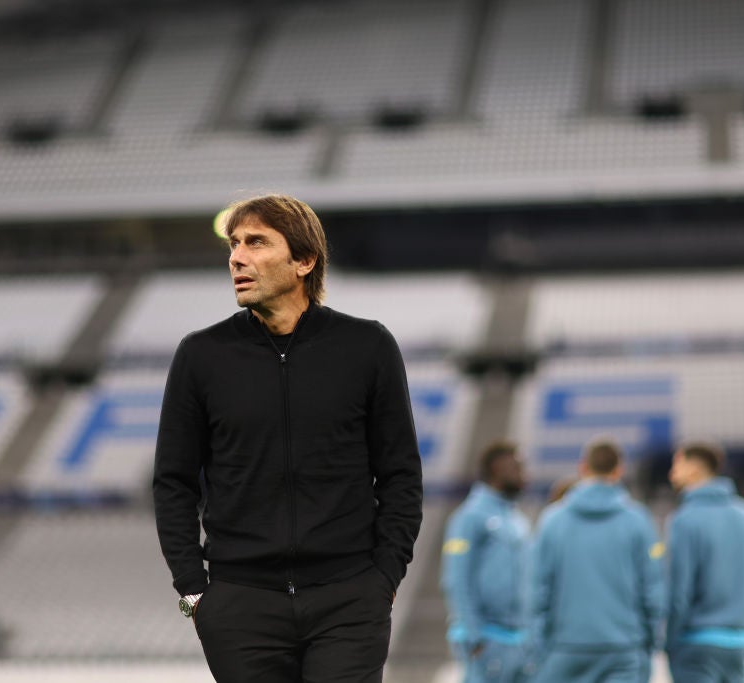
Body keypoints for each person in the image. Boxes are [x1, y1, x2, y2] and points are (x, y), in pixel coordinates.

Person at [153, 193, 423, 682]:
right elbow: (173, 482)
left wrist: (383, 576)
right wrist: (194, 591)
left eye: (257, 242)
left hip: (348, 597)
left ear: (304, 260)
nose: (237, 257)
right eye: (234, 244)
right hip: (240, 604)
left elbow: (401, 474)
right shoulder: (200, 355)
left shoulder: (368, 346)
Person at [529, 438, 665, 683]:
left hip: (565, 646)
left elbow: (537, 587)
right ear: (619, 470)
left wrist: (539, 640)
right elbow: (653, 588)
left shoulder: (552, 521)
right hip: (623, 646)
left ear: (583, 467)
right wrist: (650, 640)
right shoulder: (638, 521)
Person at [666, 441, 744, 683]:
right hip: (738, 640)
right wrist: (743, 628)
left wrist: (670, 639)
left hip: (696, 642)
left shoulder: (684, 520)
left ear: (693, 468)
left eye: (677, 465)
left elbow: (680, 589)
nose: (672, 473)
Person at [441, 440, 531, 683]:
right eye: (518, 468)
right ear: (497, 470)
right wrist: (473, 634)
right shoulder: (469, 517)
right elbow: (456, 577)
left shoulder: (516, 518)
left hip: (519, 640)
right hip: (487, 639)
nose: (525, 475)